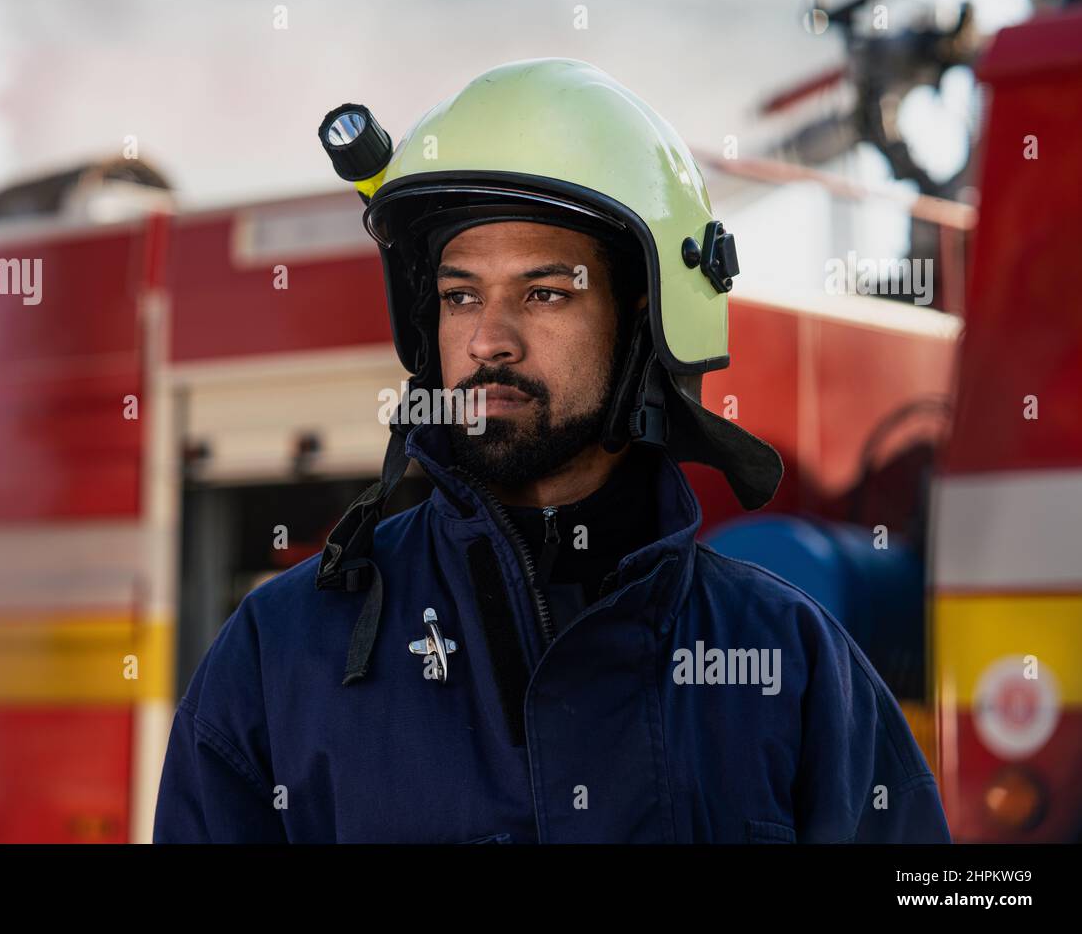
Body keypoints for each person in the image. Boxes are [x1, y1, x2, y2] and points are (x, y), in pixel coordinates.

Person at [153, 57, 951, 843]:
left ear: (645, 318)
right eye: (461, 295)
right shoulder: (278, 656)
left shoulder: (790, 663)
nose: (489, 340)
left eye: (545, 293)